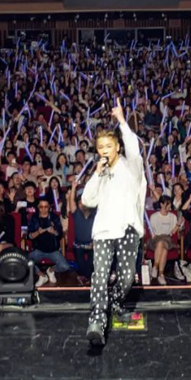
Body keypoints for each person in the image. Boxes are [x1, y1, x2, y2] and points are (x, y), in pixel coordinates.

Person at [81, 99, 146, 347]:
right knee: (100, 276)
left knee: (127, 277)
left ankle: (116, 302)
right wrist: (96, 175)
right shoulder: (100, 172)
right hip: (104, 231)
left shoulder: (132, 167)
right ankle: (96, 322)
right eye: (101, 147)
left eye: (109, 146)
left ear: (118, 146)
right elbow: (87, 200)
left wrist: (121, 121)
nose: (105, 150)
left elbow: (134, 148)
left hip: (128, 228)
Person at [27, 197, 72, 288]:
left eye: (46, 207)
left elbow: (60, 235)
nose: (43, 209)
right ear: (38, 207)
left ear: (49, 207)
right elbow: (29, 236)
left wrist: (54, 232)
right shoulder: (34, 218)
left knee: (65, 266)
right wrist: (38, 232)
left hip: (53, 250)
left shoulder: (54, 217)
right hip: (38, 250)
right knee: (24, 262)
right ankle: (42, 275)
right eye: (41, 207)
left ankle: (50, 271)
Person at [146, 196, 181, 284]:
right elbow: (151, 232)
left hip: (167, 239)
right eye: (167, 204)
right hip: (156, 238)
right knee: (163, 247)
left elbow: (172, 232)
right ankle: (161, 275)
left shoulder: (173, 216)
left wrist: (178, 224)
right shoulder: (154, 216)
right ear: (161, 204)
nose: (170, 206)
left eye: (170, 204)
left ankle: (155, 267)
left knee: (162, 243)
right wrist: (152, 234)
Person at [68, 179, 96, 283]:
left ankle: (84, 277)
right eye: (79, 203)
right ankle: (85, 277)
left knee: (91, 263)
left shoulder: (94, 212)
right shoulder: (76, 213)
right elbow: (71, 202)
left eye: (83, 203)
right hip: (78, 244)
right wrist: (73, 187)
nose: (81, 205)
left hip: (92, 244)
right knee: (80, 264)